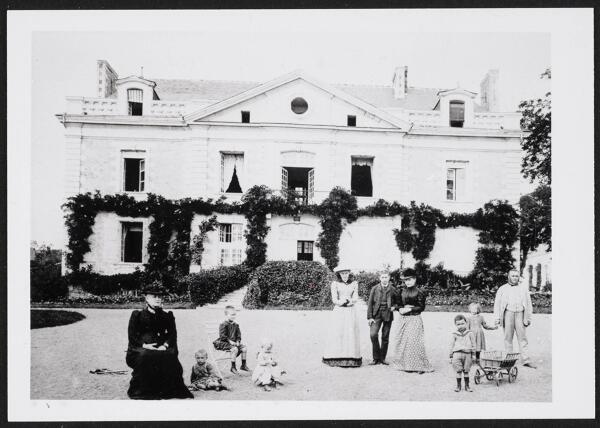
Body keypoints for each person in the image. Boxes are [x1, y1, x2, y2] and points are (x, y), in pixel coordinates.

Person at [126, 282, 193, 399]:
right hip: (141, 349)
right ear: (146, 298)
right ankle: (143, 391)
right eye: (154, 296)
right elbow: (132, 336)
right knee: (146, 355)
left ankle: (166, 390)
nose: (158, 299)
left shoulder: (167, 316)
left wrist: (166, 345)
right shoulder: (137, 315)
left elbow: (172, 334)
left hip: (162, 347)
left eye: (159, 296)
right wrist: (145, 346)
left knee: (169, 355)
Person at [390, 268, 434, 373]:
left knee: (414, 341)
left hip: (414, 318)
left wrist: (410, 308)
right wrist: (399, 308)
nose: (407, 282)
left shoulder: (420, 292)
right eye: (406, 280)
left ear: (414, 279)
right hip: (403, 319)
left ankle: (419, 366)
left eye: (410, 279)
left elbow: (421, 307)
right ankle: (406, 365)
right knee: (402, 341)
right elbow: (398, 303)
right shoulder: (401, 290)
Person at [493, 269, 536, 368]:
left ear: (519, 277)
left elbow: (528, 304)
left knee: (522, 337)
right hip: (508, 313)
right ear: (508, 277)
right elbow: (497, 304)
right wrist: (497, 318)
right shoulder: (502, 289)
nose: (515, 278)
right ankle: (509, 359)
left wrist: (528, 317)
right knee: (508, 337)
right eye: (513, 276)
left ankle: (526, 360)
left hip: (520, 314)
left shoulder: (523, 289)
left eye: (516, 276)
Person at [322, 266, 362, 367]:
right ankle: (336, 357)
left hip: (350, 310)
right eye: (342, 273)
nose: (345, 275)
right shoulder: (335, 284)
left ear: (349, 273)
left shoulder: (354, 283)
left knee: (350, 331)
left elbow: (355, 296)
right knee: (339, 332)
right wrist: (342, 302)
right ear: (339, 274)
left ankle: (351, 357)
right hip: (339, 311)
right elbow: (334, 299)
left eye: (346, 273)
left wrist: (350, 302)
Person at [367, 271, 398, 365]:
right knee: (373, 334)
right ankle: (376, 358)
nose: (384, 279)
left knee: (385, 336)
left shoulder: (393, 289)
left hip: (388, 314)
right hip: (376, 314)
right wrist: (370, 317)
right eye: (382, 277)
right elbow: (370, 303)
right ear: (380, 278)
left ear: (389, 278)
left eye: (386, 277)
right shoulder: (375, 288)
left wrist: (395, 307)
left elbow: (398, 302)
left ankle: (382, 358)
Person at [213, 305, 250, 374]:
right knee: (234, 349)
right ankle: (233, 367)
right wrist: (230, 341)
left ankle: (243, 365)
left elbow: (238, 335)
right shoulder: (223, 324)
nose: (233, 316)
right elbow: (222, 336)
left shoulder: (236, 325)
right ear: (226, 315)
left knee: (244, 348)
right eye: (232, 315)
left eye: (234, 314)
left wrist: (238, 341)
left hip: (234, 342)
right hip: (224, 342)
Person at [449, 314, 476, 392]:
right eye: (458, 324)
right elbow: (451, 345)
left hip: (467, 354)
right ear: (455, 325)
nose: (460, 326)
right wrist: (450, 356)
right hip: (457, 354)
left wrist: (473, 354)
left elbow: (474, 344)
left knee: (466, 371)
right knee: (458, 371)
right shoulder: (454, 334)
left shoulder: (470, 333)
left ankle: (467, 386)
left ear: (466, 323)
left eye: (462, 323)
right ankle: (458, 386)